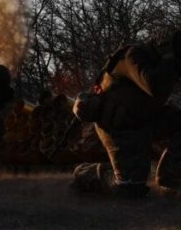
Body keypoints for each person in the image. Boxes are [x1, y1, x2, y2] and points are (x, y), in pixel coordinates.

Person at [71, 32, 181, 198]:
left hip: (145, 121)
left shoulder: (166, 65)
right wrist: (170, 60)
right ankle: (87, 173)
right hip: (119, 128)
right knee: (130, 190)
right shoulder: (133, 56)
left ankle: (170, 175)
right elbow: (154, 86)